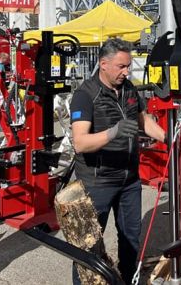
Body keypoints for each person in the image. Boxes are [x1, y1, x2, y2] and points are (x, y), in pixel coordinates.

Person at [70, 38, 165, 284]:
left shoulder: (130, 89)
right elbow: (79, 142)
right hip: (97, 182)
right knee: (88, 245)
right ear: (104, 64)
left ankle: (127, 279)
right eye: (121, 66)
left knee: (131, 238)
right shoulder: (85, 95)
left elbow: (144, 122)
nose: (127, 72)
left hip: (129, 180)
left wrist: (170, 138)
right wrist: (113, 132)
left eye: (128, 66)